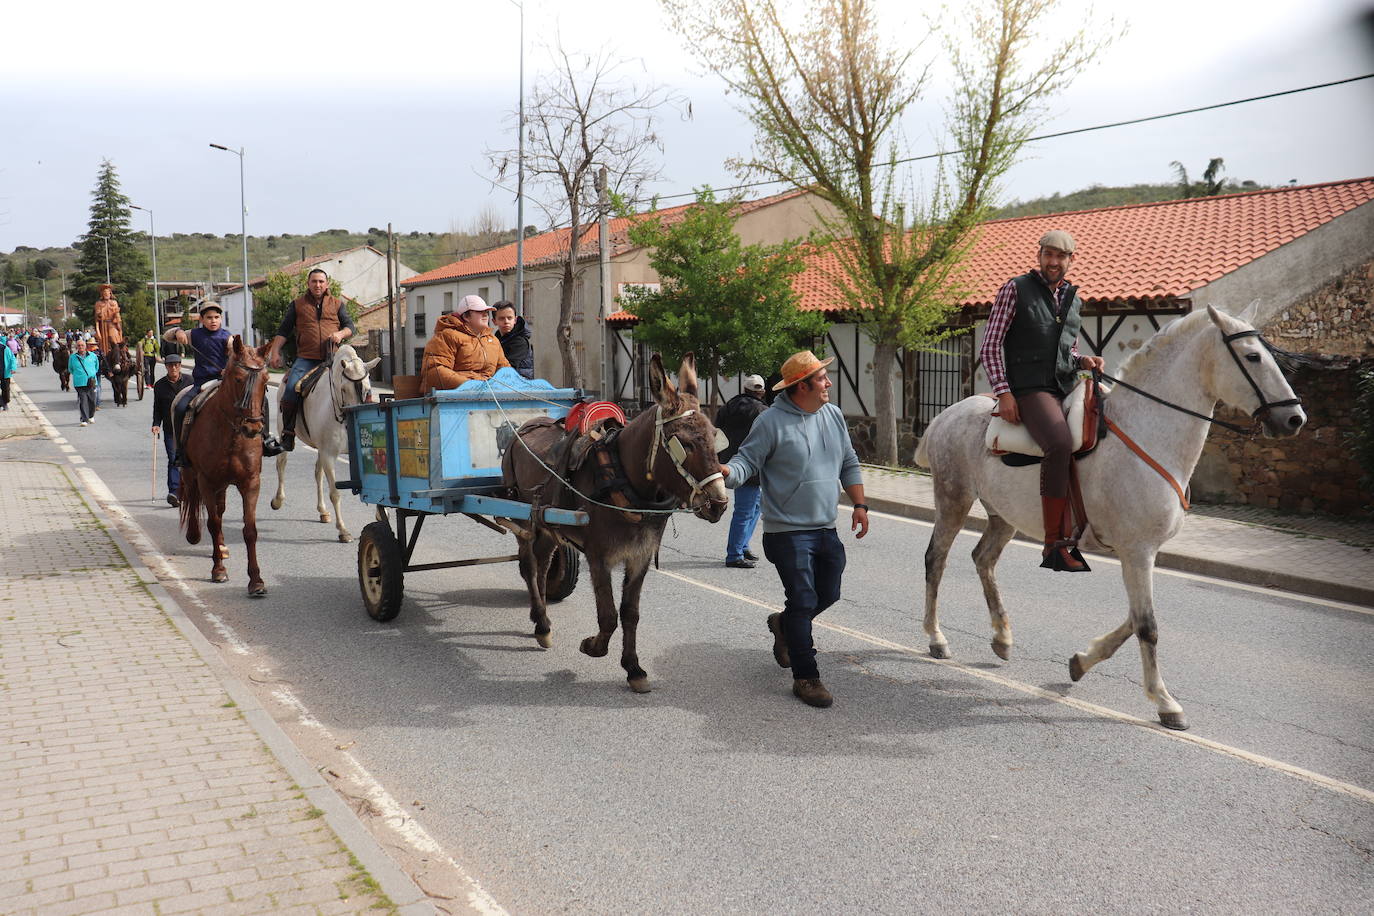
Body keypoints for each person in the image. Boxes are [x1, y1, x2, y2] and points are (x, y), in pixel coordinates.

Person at [720, 351, 869, 709]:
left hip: (825, 527)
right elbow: (746, 461)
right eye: (822, 379)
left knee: (828, 593)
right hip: (786, 532)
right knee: (802, 601)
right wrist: (725, 472)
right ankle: (806, 676)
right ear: (802, 386)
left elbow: (848, 460)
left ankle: (783, 625)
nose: (829, 383)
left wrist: (860, 505)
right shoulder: (770, 422)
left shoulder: (832, 415)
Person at [979, 229, 1105, 573]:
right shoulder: (1015, 290)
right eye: (1048, 254)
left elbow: (1068, 349)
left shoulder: (1072, 299)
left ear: (1070, 260)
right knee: (1060, 443)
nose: (1053, 262)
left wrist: (1083, 361)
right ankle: (1055, 544)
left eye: (1061, 256)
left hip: (1064, 384)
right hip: (1030, 388)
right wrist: (1004, 392)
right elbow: (990, 346)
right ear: (1039, 255)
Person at [166, 301, 282, 462]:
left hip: (224, 381)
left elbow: (237, 351)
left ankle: (266, 439)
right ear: (201, 319)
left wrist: (231, 359)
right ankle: (180, 450)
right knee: (179, 408)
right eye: (209, 317)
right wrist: (178, 331)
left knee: (264, 401)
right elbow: (168, 336)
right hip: (201, 382)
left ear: (221, 319)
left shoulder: (227, 337)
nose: (213, 320)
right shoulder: (194, 334)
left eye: (217, 317)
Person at [266, 268, 355, 451]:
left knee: (356, 384)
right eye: (314, 281)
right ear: (308, 284)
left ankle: (358, 428)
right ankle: (288, 434)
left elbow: (350, 327)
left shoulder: (337, 304)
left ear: (327, 284)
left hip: (333, 358)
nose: (318, 285)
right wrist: (275, 352)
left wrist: (340, 334)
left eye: (321, 281)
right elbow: (283, 331)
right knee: (290, 389)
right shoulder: (297, 305)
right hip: (306, 359)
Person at [716, 374, 768, 568]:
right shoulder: (764, 411)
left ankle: (743, 545)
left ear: (745, 389)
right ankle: (734, 554)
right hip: (753, 464)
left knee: (752, 507)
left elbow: (716, 431)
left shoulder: (728, 406)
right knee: (747, 510)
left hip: (731, 463)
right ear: (761, 392)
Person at [420, 295, 509, 393]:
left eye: (486, 312)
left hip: (488, 396)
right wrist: (470, 385)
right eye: (480, 311)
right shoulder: (447, 336)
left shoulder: (493, 340)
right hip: (454, 399)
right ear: (466, 316)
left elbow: (505, 370)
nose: (485, 315)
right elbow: (435, 371)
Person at [151, 354, 193, 506]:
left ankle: (191, 489)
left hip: (190, 428)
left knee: (191, 460)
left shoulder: (190, 381)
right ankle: (174, 492)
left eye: (176, 365)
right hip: (171, 430)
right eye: (170, 365)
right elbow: (157, 408)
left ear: (180, 366)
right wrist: (156, 424)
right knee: (174, 459)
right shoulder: (160, 385)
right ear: (166, 367)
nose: (173, 368)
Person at [492, 300, 533, 379]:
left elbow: (508, 368)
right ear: (494, 321)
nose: (506, 321)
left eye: (509, 318)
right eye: (501, 318)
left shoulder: (520, 342)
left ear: (515, 320)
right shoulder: (495, 340)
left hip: (519, 386)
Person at [69, 337, 101, 426]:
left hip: (91, 381)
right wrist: (79, 374)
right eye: (78, 345)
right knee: (83, 400)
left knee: (92, 401)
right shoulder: (73, 357)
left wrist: (91, 374)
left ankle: (91, 416)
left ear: (85, 346)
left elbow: (96, 367)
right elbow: (70, 369)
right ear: (76, 347)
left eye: (82, 345)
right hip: (79, 382)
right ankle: (84, 419)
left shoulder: (93, 356)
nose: (80, 347)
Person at [93, 284, 124, 356]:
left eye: (108, 293)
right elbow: (97, 319)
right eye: (105, 293)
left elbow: (117, 316)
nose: (106, 294)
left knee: (113, 337)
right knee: (103, 343)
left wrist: (118, 325)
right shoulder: (98, 304)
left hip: (112, 324)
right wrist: (97, 331)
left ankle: (117, 354)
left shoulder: (114, 303)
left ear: (110, 294)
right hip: (103, 326)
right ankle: (105, 355)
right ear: (102, 294)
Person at [0, 333, 16, 411]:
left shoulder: (5, 348)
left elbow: (12, 359)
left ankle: (5, 403)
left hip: (5, 372)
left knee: (5, 389)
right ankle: (2, 403)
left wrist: (13, 368)